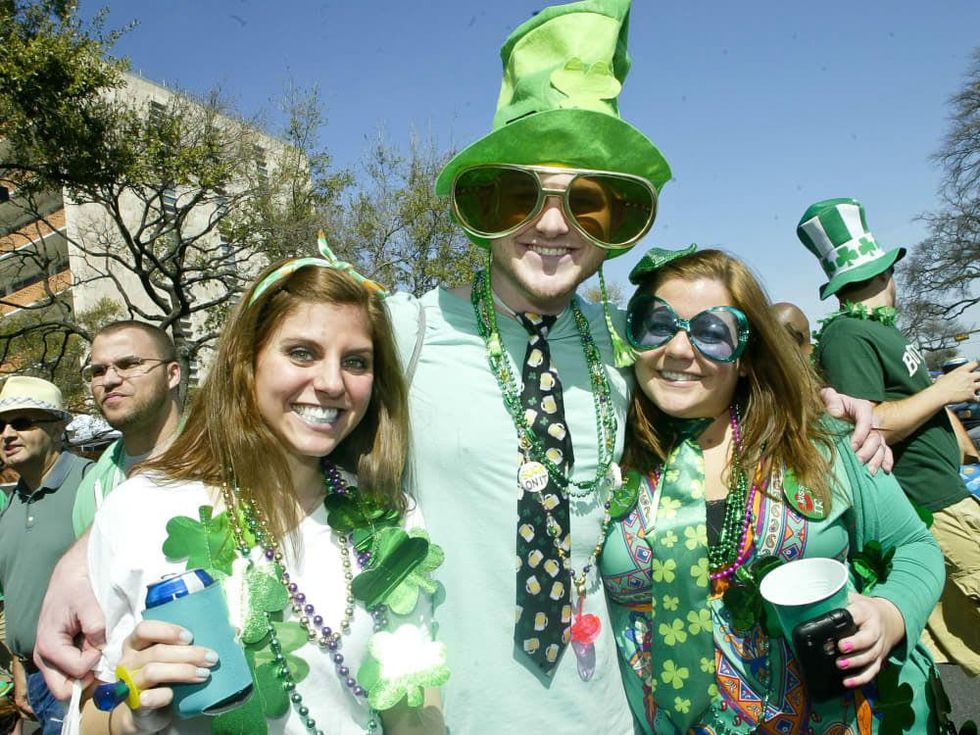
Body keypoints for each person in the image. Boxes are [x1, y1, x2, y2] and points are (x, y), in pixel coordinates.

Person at [35, 2, 887, 731]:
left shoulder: (629, 348)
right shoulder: (401, 331)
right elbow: (263, 403)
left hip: (601, 713)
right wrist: (81, 559)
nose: (551, 224)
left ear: (612, 225)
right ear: (482, 208)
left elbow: (726, 384)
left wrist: (831, 404)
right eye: (520, 194)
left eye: (587, 201)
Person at [78, 247, 446, 735]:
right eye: (302, 353)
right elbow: (89, 712)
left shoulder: (391, 516)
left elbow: (411, 705)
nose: (332, 382)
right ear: (245, 362)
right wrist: (131, 716)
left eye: (356, 361)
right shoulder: (141, 508)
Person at [601, 246, 945, 733]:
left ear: (746, 356)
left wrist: (889, 614)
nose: (678, 349)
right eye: (657, 325)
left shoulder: (822, 444)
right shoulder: (598, 451)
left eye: (712, 332)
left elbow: (914, 545)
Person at [798, 198, 980, 677]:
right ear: (883, 272)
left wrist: (963, 444)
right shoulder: (846, 334)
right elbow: (868, 425)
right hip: (930, 504)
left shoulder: (882, 332)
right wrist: (945, 389)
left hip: (954, 492)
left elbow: (924, 406)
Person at [0, 377, 92, 735]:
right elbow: (18, 591)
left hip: (81, 676)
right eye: (0, 426)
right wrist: (21, 664)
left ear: (57, 428)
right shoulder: (12, 502)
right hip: (35, 679)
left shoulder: (91, 483)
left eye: (22, 422)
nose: (7, 434)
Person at [72, 320, 183, 537]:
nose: (109, 380)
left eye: (129, 364)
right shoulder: (93, 487)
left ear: (171, 375)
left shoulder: (224, 460)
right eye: (98, 371)